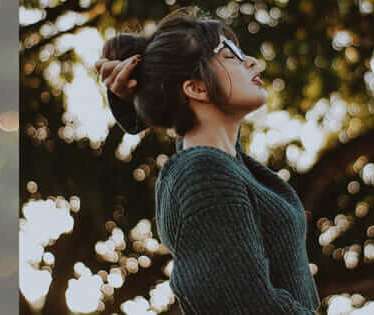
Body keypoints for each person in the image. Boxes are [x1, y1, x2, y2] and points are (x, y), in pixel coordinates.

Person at [94, 7, 320, 314]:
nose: (251, 61)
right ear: (197, 87)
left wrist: (140, 105)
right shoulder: (203, 173)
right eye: (230, 56)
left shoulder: (222, 165)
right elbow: (251, 307)